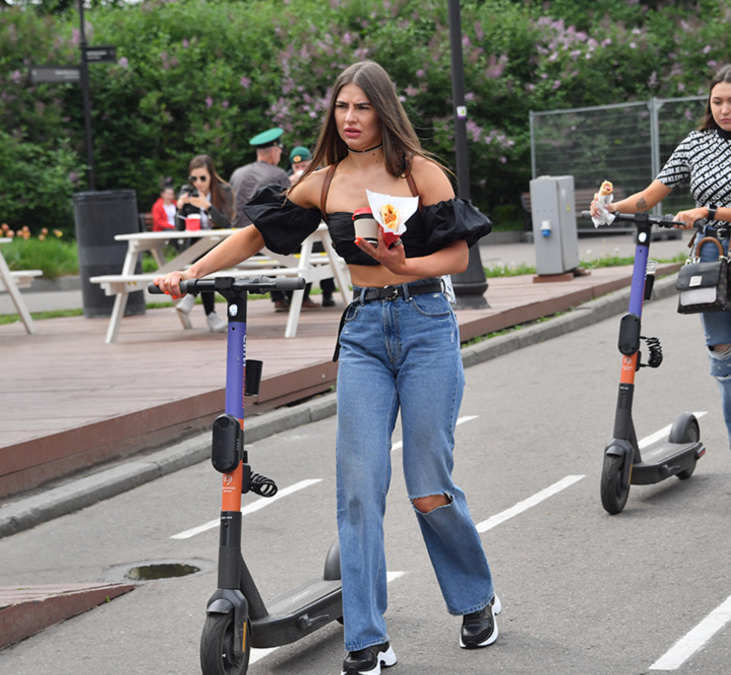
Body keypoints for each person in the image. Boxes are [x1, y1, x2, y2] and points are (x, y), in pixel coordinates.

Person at [155, 60, 498, 674]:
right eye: (342, 108)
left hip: (425, 327)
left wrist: (403, 266)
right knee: (359, 490)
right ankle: (366, 637)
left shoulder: (421, 174)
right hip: (364, 332)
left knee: (426, 486)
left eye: (362, 108)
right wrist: (192, 272)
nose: (351, 119)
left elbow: (456, 253)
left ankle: (476, 597)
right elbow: (256, 234)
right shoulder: (324, 180)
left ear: (384, 111)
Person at [591, 63, 731, 505]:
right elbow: (651, 195)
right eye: (717, 101)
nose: (724, 109)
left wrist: (708, 212)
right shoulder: (695, 144)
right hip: (709, 264)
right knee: (726, 369)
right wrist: (609, 208)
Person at [228, 128, 314, 311]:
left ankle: (277, 299)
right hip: (265, 243)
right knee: (301, 240)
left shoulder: (237, 173)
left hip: (238, 243)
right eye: (279, 152)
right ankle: (299, 298)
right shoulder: (278, 175)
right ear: (274, 152)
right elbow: (290, 212)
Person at [174, 155, 234, 333]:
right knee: (202, 258)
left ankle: (192, 295)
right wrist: (179, 209)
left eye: (202, 178)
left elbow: (226, 223)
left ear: (211, 176)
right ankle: (211, 316)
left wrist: (208, 206)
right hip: (194, 247)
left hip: (219, 245)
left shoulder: (223, 191)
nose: (198, 183)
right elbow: (179, 230)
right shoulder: (187, 193)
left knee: (205, 258)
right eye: (194, 178)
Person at [289, 144, 338, 307]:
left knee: (323, 251)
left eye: (304, 166)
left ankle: (327, 294)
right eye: (297, 167)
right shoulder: (288, 179)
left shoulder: (322, 176)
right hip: (301, 230)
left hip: (322, 228)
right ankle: (300, 297)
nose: (300, 169)